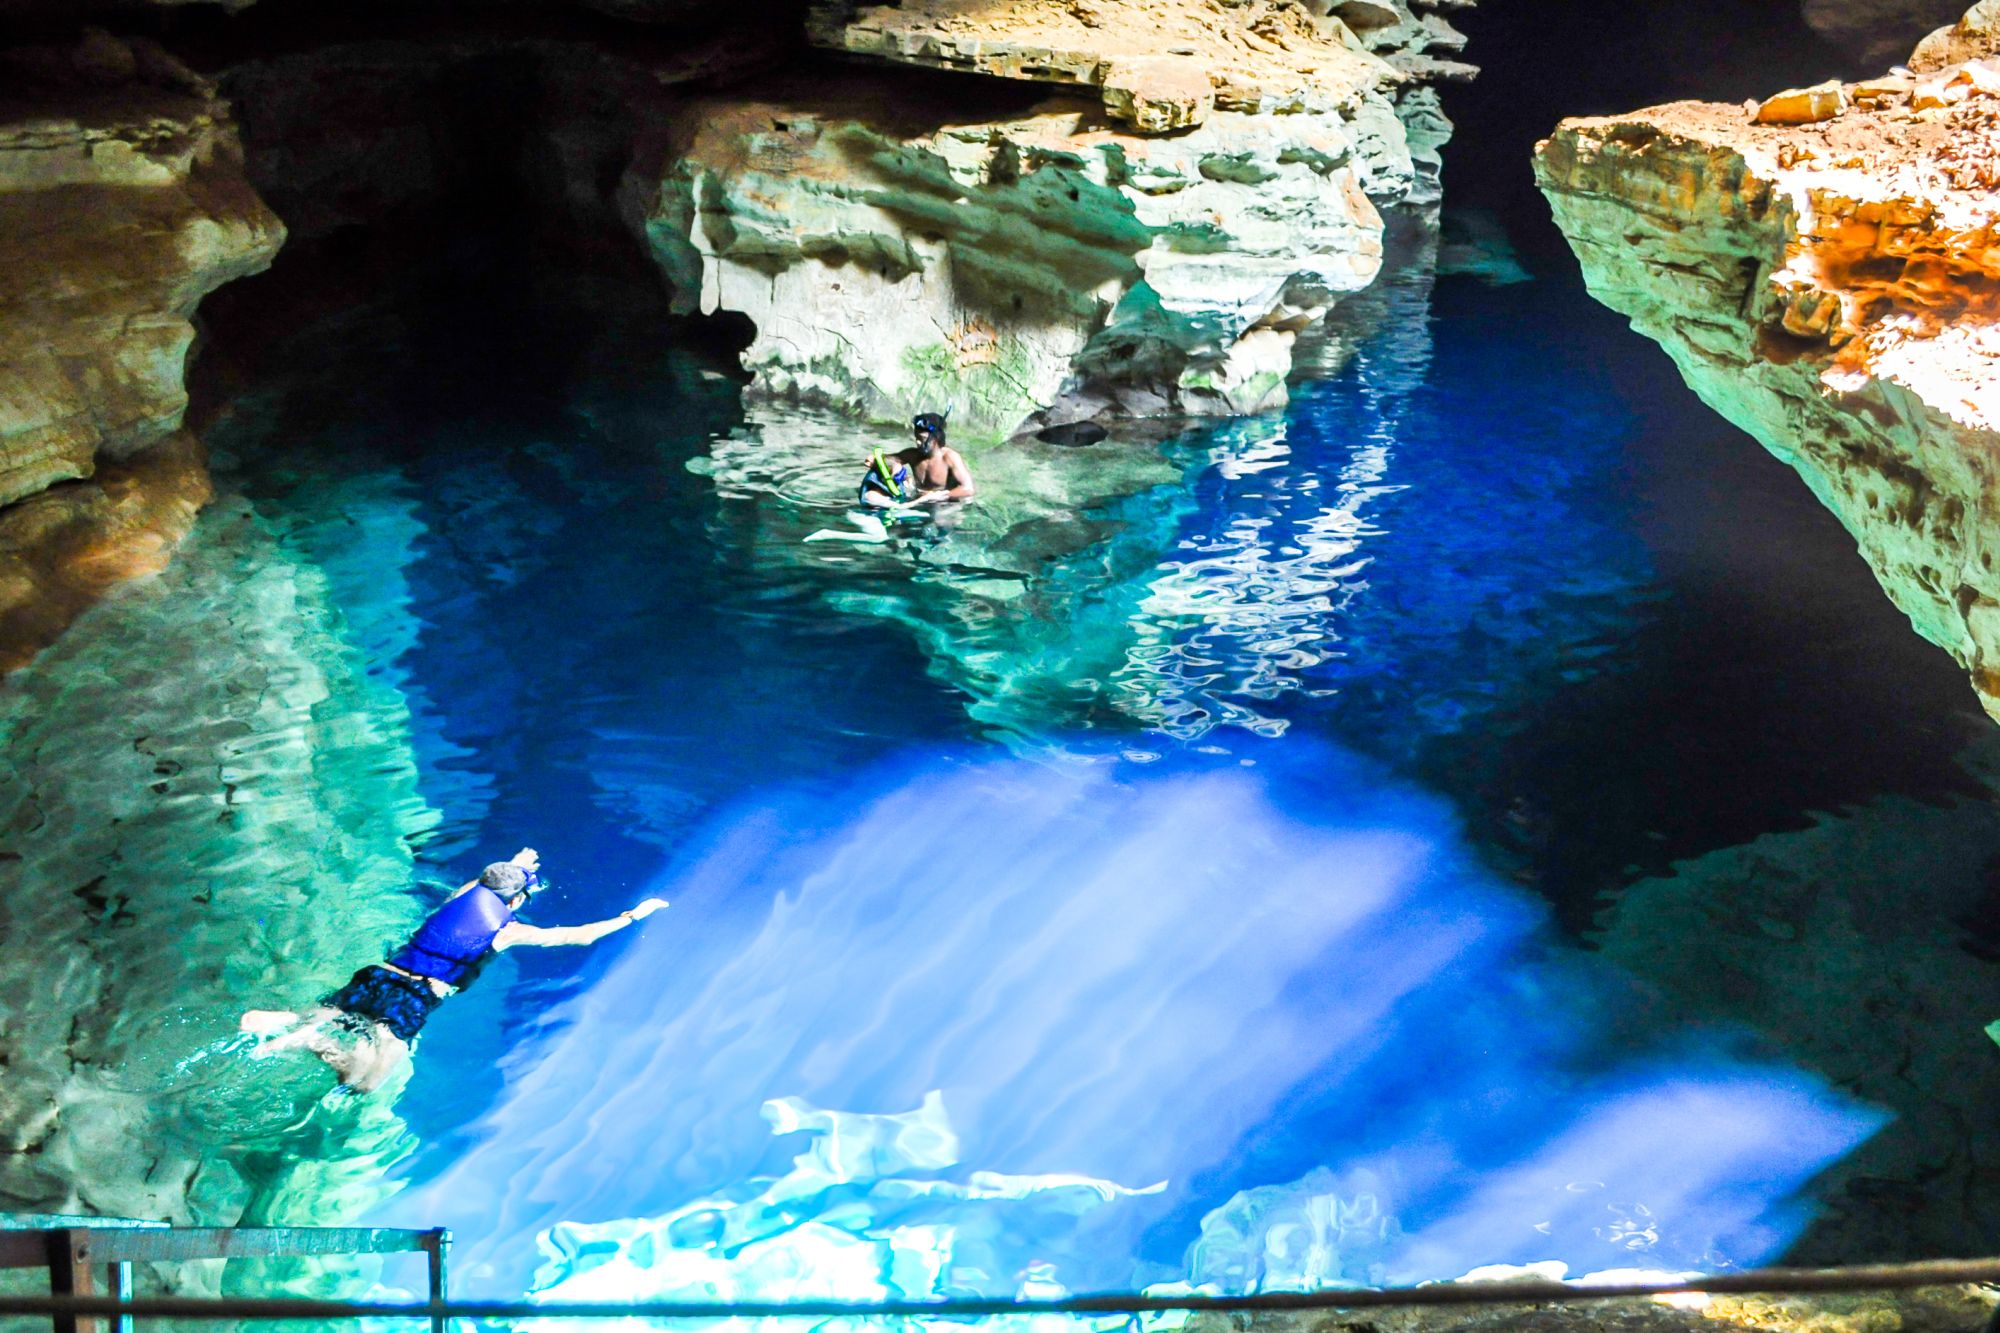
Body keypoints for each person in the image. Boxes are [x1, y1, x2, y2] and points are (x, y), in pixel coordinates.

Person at [240, 848, 665, 1092]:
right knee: (363, 1084)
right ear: (516, 901)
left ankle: (281, 1025)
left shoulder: (464, 894)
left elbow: (490, 881)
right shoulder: (508, 931)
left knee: (319, 1014)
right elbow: (580, 936)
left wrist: (516, 861)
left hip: (376, 975)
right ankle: (314, 1042)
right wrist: (633, 915)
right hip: (413, 998)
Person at [858, 412, 975, 508]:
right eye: (916, 438)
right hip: (919, 499)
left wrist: (940, 496)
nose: (918, 442)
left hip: (944, 504)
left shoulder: (950, 457)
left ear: (936, 438)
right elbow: (891, 460)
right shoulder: (913, 454)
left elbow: (968, 489)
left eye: (922, 439)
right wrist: (877, 460)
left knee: (938, 520)